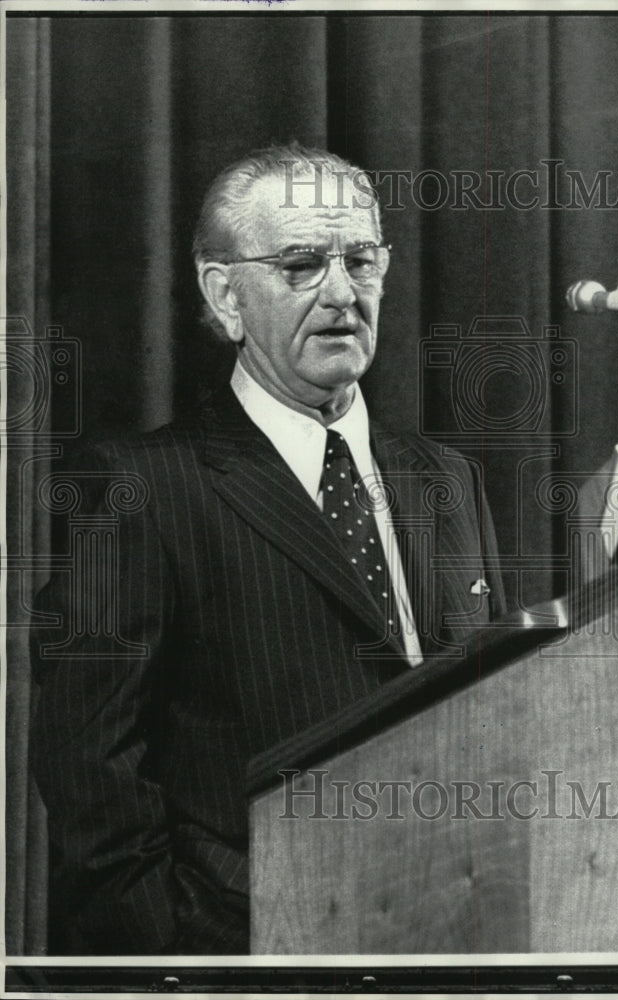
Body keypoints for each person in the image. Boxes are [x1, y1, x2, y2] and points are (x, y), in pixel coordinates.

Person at [31, 144, 505, 955]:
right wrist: (188, 960)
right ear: (225, 295)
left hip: (450, 938)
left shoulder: (447, 480)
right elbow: (92, 780)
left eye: (361, 260)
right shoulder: (141, 486)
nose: (341, 293)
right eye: (299, 265)